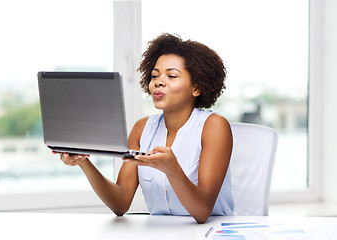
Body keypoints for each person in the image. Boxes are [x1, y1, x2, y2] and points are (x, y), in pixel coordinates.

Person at [54, 33, 234, 223]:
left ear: (196, 88)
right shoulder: (142, 129)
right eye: (154, 75)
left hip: (210, 232)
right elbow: (120, 203)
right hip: (159, 232)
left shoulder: (214, 126)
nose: (158, 81)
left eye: (171, 76)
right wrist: (83, 161)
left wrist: (173, 170)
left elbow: (202, 211)